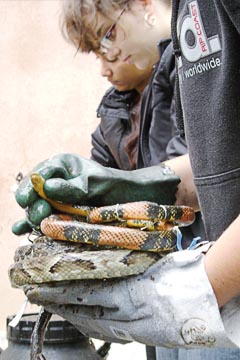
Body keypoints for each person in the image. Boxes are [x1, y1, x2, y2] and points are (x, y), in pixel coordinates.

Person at [12, 0, 240, 357]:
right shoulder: (115, 110)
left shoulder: (170, 68)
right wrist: (124, 189)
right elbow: (216, 165)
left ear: (143, 6)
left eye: (106, 39)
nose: (105, 65)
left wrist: (197, 291)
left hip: (211, 285)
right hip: (195, 293)